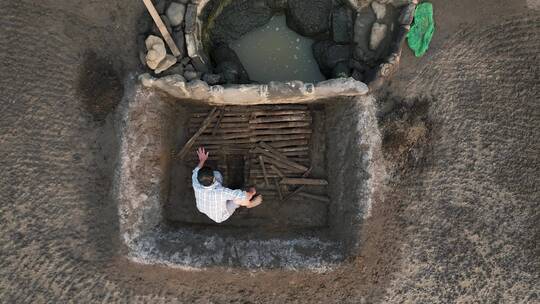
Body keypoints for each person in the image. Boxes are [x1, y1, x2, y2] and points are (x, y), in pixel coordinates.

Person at [192, 147, 262, 223]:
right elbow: (244, 196)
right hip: (220, 215)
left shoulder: (195, 182)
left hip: (203, 208)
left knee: (217, 174)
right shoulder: (222, 192)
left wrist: (202, 160)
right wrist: (252, 192)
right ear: (213, 179)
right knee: (238, 199)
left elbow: (196, 170)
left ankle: (223, 201)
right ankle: (250, 204)